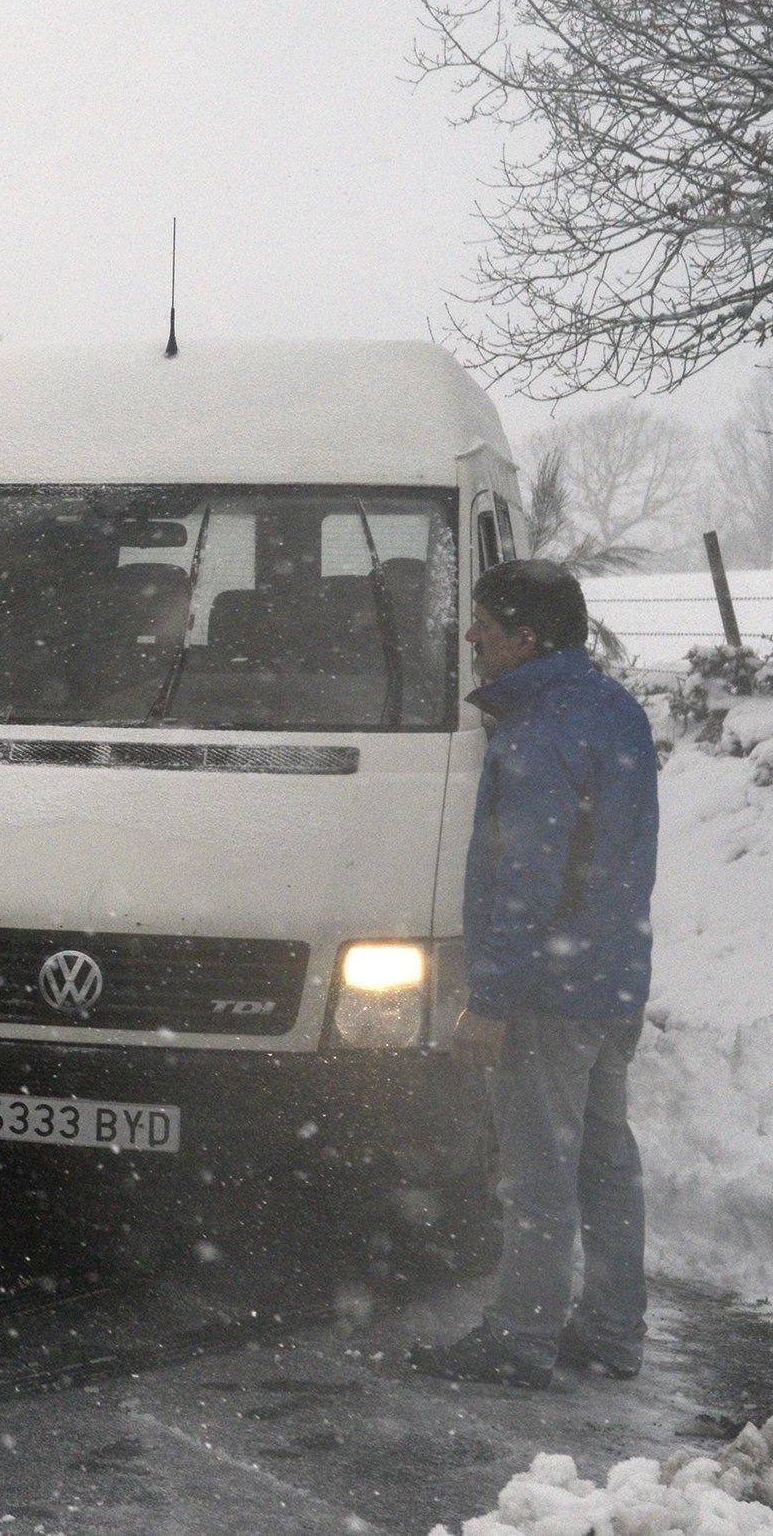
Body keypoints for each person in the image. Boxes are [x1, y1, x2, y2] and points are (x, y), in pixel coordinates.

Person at [412, 558, 658, 1390]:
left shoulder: (539, 730)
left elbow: (526, 879)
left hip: (550, 992)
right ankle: (614, 1329)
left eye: (484, 620)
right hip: (612, 975)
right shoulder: (614, 710)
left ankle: (521, 1338)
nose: (472, 634)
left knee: (538, 1171)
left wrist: (491, 999)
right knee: (604, 1162)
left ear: (528, 635)